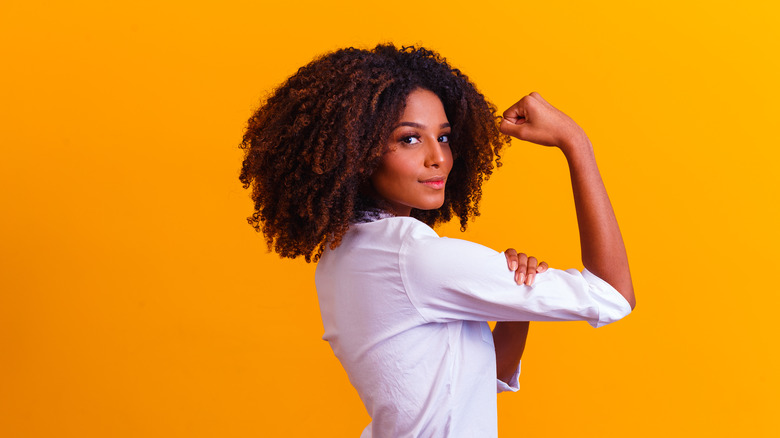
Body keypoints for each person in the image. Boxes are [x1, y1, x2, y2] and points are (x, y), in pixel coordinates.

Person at [239, 44, 635, 437]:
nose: (438, 159)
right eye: (409, 139)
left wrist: (516, 302)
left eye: (443, 138)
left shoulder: (343, 254)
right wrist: (576, 143)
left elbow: (475, 385)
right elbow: (613, 296)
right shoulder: (415, 257)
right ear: (358, 151)